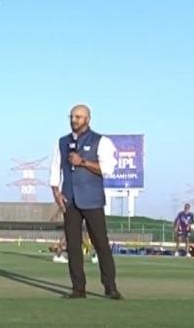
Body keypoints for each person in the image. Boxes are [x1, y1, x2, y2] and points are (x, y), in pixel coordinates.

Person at [49, 104, 122, 300]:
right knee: (73, 246)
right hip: (70, 199)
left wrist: (82, 162)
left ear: (88, 119)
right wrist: (56, 191)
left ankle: (110, 287)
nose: (74, 120)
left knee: (101, 244)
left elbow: (108, 170)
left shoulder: (101, 141)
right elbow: (56, 168)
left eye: (79, 117)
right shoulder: (62, 142)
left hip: (92, 200)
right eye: (72, 117)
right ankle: (78, 288)